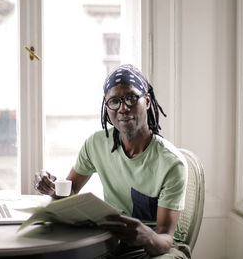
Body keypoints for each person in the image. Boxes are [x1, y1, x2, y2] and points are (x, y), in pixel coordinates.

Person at [34, 64, 190, 258]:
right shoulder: (96, 144)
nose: (123, 108)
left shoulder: (171, 163)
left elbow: (165, 238)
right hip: (111, 242)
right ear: (107, 107)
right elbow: (70, 191)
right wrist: (51, 186)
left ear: (147, 101)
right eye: (114, 101)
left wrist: (145, 236)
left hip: (157, 249)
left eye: (131, 98)